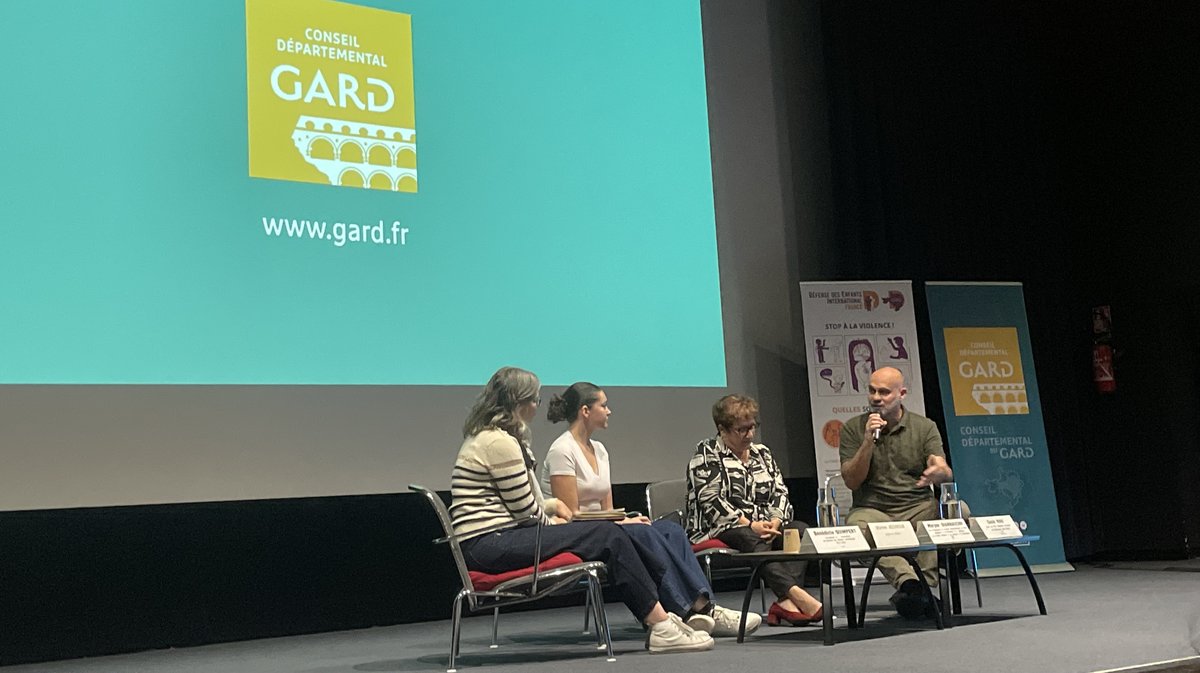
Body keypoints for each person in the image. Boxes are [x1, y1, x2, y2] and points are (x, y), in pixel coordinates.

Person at [450, 367, 713, 653]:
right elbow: (527, 514)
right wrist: (559, 523)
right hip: (490, 542)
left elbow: (523, 504)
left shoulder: (492, 437)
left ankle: (675, 615)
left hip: (494, 538)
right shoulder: (499, 442)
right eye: (534, 400)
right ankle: (661, 625)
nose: (538, 407)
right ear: (519, 402)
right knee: (607, 536)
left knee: (618, 533)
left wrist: (550, 507)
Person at [541, 382, 761, 637]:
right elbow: (571, 514)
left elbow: (608, 508)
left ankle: (705, 607)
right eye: (603, 405)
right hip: (579, 534)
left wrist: (626, 519)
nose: (609, 411)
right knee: (643, 534)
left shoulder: (599, 450)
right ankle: (689, 611)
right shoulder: (562, 450)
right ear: (585, 411)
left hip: (606, 527)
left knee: (671, 530)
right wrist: (622, 525)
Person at [685, 394, 825, 626]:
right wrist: (750, 524)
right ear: (722, 429)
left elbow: (780, 491)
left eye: (753, 427)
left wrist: (776, 521)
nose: (750, 435)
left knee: (799, 530)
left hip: (764, 525)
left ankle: (785, 602)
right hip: (720, 528)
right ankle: (798, 596)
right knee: (748, 536)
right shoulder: (706, 453)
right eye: (742, 429)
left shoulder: (762, 453)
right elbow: (710, 501)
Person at [839, 366, 953, 618]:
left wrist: (938, 470)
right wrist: (868, 440)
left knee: (952, 513)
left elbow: (942, 467)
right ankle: (913, 586)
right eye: (871, 391)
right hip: (874, 510)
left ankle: (918, 590)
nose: (876, 397)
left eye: (884, 392)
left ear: (901, 393)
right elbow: (851, 481)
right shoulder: (853, 428)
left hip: (916, 508)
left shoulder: (924, 427)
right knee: (857, 528)